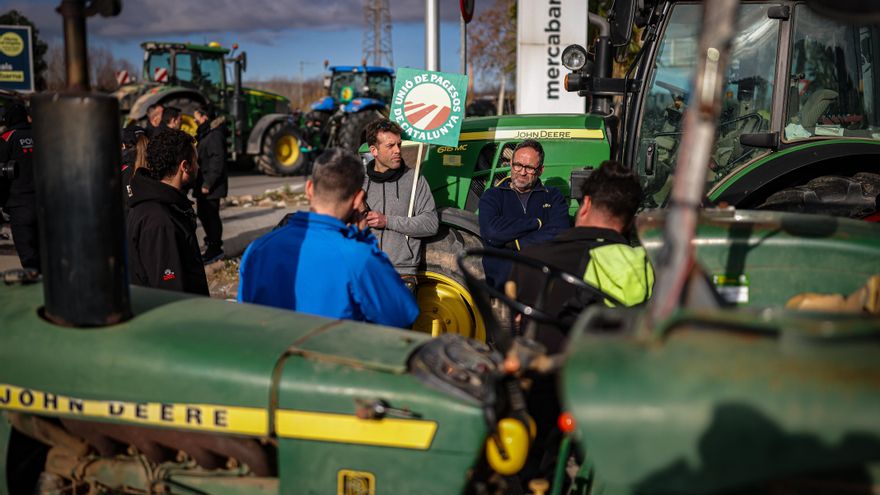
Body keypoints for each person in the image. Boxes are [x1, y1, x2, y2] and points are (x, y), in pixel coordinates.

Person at [511, 160, 653, 487]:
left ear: (585, 203)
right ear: (630, 217)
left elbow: (517, 328)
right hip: (611, 404)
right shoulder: (641, 267)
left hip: (541, 410)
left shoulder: (533, 258)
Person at [238, 148, 419, 328]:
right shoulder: (359, 258)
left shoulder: (258, 248)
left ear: (309, 189)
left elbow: (245, 313)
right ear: (358, 200)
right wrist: (363, 240)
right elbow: (403, 314)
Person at [478, 139, 569, 289]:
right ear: (511, 164)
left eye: (529, 167)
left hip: (542, 289)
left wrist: (516, 243)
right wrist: (537, 223)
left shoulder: (553, 196)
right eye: (518, 165)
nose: (522, 172)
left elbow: (560, 232)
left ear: (540, 170)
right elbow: (492, 232)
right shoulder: (493, 195)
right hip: (501, 289)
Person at [127, 129, 208, 295]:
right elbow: (170, 293)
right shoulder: (160, 221)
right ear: (184, 166)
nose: (198, 166)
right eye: (196, 161)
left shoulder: (161, 205)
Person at [362, 119, 438, 290]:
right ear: (374, 150)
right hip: (366, 271)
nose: (398, 150)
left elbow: (431, 224)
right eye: (390, 146)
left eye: (399, 144)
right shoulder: (360, 183)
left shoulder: (414, 179)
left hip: (402, 275)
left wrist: (387, 221)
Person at [0, 102, 38, 272]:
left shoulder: (7, 138)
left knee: (29, 260)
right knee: (44, 256)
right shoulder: (41, 135)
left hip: (19, 206)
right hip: (45, 205)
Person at [192, 105, 227, 264]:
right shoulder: (205, 133)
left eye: (196, 117)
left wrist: (208, 183)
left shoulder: (214, 136)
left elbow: (217, 161)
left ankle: (215, 248)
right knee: (204, 214)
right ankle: (211, 240)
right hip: (204, 183)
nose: (194, 120)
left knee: (211, 215)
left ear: (205, 117)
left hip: (210, 185)